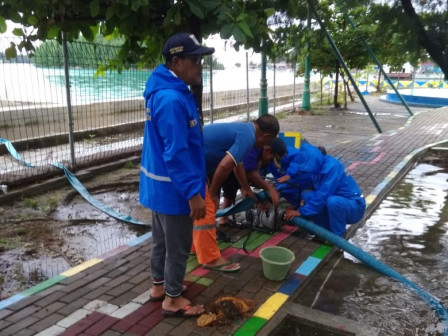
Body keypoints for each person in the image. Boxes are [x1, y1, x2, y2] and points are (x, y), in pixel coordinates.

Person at [139, 33, 214, 318]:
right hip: (174, 190)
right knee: (179, 247)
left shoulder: (165, 90)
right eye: (195, 60)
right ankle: (172, 299)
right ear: (177, 61)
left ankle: (159, 287)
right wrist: (193, 194)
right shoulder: (171, 99)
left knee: (160, 242)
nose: (199, 66)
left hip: (160, 187)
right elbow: (176, 153)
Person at [192, 115, 280, 272]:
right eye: (266, 142)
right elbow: (224, 166)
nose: (263, 146)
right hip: (192, 165)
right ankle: (210, 259)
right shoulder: (248, 137)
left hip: (191, 162)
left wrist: (245, 188)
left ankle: (193, 247)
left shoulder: (244, 129)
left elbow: (237, 165)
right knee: (206, 211)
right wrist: (213, 194)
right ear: (266, 136)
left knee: (193, 211)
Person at [270, 138, 366, 237]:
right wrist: (279, 189)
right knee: (307, 196)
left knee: (333, 202)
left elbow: (322, 195)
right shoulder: (317, 166)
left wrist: (300, 212)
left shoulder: (331, 168)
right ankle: (324, 230)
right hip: (340, 201)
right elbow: (303, 183)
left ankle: (339, 236)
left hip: (355, 206)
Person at [217, 144, 280, 226]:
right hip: (224, 164)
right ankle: (217, 221)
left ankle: (223, 218)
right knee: (219, 197)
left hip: (234, 165)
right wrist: (246, 190)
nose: (270, 162)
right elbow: (244, 172)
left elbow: (250, 178)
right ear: (268, 151)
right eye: (271, 159)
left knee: (233, 191)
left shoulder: (258, 153)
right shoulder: (251, 149)